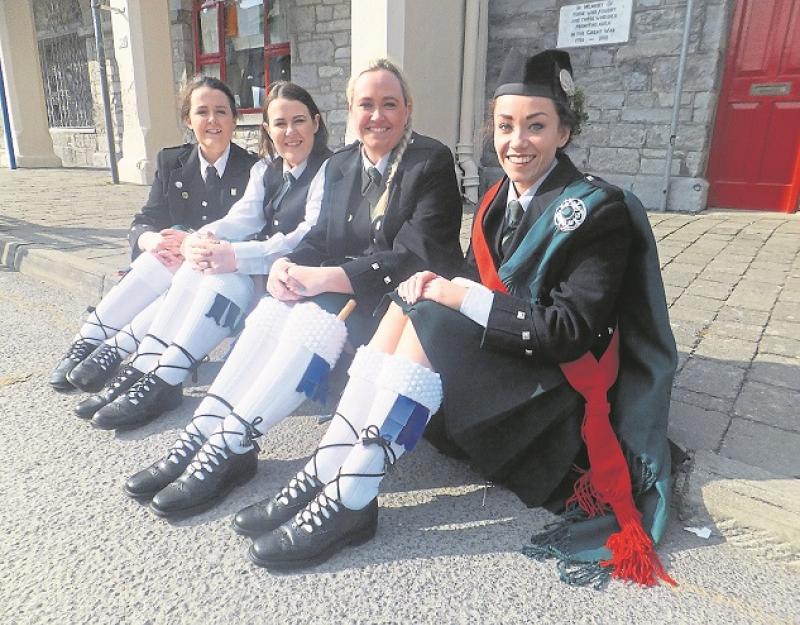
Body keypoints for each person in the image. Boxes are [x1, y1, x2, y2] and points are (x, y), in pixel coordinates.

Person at [246, 49, 678, 588]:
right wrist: (439, 290)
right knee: (413, 302)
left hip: (554, 390)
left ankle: (355, 490)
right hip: (512, 359)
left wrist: (457, 297)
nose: (517, 141)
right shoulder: (498, 197)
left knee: (433, 310)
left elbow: (568, 333)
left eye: (535, 126)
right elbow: (477, 283)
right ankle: (330, 464)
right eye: (505, 126)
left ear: (563, 133)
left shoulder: (597, 210)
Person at [121, 58, 465, 521]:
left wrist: (322, 279)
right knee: (270, 313)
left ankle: (235, 438)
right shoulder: (343, 163)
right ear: (350, 109)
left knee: (309, 321)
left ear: (408, 109)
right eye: (366, 104)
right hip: (346, 286)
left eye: (389, 104)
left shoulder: (430, 160)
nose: (377, 115)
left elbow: (415, 255)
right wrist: (288, 266)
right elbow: (319, 239)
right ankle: (208, 433)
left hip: (406, 300)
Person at [79, 81, 332, 428]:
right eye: (279, 123)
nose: (290, 132)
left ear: (316, 123)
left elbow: (307, 236)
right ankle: (150, 368)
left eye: (299, 121)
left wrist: (235, 255)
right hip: (268, 274)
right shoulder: (267, 170)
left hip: (304, 278)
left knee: (221, 274)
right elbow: (243, 216)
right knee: (198, 265)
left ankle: (163, 374)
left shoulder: (331, 170)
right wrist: (202, 239)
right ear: (267, 130)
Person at [49, 76, 258, 393]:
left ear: (234, 119)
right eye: (202, 112)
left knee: (181, 260)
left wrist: (191, 245)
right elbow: (145, 220)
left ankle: (115, 349)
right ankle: (87, 342)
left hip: (218, 271)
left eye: (222, 111)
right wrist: (153, 242)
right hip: (173, 262)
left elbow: (250, 233)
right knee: (156, 257)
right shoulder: (171, 161)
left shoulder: (254, 169)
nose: (212, 120)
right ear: (189, 119)